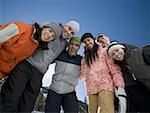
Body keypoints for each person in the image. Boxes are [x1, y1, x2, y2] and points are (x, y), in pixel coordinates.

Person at [0, 20, 80, 112]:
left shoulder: (64, 45)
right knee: (12, 95)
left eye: (72, 32)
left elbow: (55, 58)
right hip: (26, 64)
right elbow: (41, 30)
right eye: (69, 28)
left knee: (27, 103)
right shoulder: (55, 29)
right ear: (65, 25)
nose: (69, 32)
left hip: (39, 73)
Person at [0, 21, 58, 90]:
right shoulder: (21, 28)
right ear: (43, 27)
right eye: (50, 31)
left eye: (52, 36)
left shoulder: (36, 45)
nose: (49, 35)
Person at [80, 33, 126, 113]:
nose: (87, 43)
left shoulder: (103, 51)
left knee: (106, 110)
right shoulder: (85, 59)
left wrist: (120, 86)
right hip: (91, 89)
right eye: (85, 42)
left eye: (88, 40)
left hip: (105, 85)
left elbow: (114, 69)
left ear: (93, 40)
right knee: (92, 111)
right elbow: (82, 75)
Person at [107, 41, 150, 112]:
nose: (116, 54)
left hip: (142, 91)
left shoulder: (137, 54)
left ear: (123, 48)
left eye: (117, 50)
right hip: (131, 93)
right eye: (113, 54)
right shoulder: (120, 67)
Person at [45, 37, 82, 113]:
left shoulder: (81, 60)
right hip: (54, 90)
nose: (73, 47)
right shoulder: (60, 54)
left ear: (78, 48)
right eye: (72, 44)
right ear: (68, 45)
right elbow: (47, 58)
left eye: (77, 45)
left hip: (69, 92)